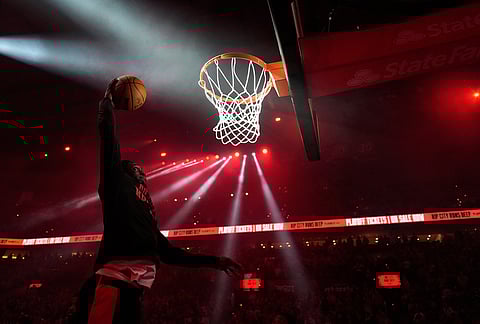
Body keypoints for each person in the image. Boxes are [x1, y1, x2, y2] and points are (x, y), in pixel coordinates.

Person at [74, 78, 243, 324]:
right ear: (124, 174)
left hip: (133, 288)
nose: (142, 171)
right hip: (114, 281)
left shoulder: (148, 215)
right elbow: (109, 143)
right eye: (135, 167)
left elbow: (170, 253)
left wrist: (214, 261)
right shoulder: (117, 186)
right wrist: (107, 105)